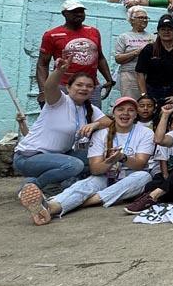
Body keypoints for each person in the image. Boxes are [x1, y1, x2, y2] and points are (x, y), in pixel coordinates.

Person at [19, 97, 156, 225]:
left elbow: (140, 164)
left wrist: (122, 158)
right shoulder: (101, 134)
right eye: (120, 109)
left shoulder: (145, 133)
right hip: (106, 176)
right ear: (113, 113)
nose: (125, 113)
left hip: (131, 178)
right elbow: (96, 169)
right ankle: (50, 208)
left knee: (145, 176)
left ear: (136, 114)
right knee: (85, 184)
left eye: (130, 110)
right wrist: (109, 161)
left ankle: (84, 202)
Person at [14, 57, 109, 222]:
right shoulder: (59, 101)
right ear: (68, 87)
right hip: (29, 157)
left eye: (89, 86)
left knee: (93, 157)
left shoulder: (88, 108)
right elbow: (49, 86)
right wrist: (59, 71)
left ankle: (46, 185)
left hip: (59, 155)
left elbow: (109, 121)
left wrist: (94, 125)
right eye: (79, 85)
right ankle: (34, 185)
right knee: (75, 164)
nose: (84, 89)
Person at [37, 0, 115, 106]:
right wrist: (43, 91)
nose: (79, 14)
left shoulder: (93, 32)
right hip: (63, 87)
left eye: (81, 11)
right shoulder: (51, 35)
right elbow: (42, 64)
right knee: (63, 119)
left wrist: (109, 79)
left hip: (91, 86)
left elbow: (100, 57)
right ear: (64, 14)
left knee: (92, 119)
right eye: (74, 11)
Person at [135, 15, 173, 105]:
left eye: (169, 29)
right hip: (153, 92)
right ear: (158, 32)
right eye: (163, 29)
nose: (166, 32)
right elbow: (140, 73)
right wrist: (144, 95)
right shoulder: (149, 49)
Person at [113, 6, 154, 100]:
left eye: (146, 18)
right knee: (130, 101)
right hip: (129, 75)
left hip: (147, 76)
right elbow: (118, 58)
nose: (144, 20)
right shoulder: (124, 37)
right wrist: (136, 52)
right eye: (141, 17)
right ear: (132, 20)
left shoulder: (152, 37)